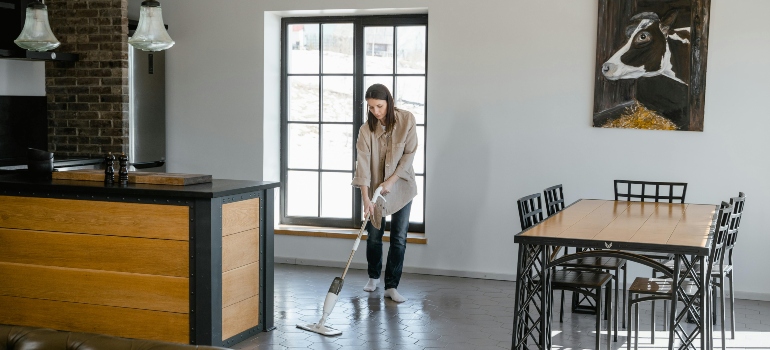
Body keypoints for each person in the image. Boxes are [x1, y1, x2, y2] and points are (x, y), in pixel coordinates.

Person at [351, 84, 418, 303]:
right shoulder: (366, 130)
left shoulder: (407, 120)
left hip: (402, 186)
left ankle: (391, 286)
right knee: (374, 236)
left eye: (379, 106)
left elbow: (409, 154)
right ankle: (373, 276)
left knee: (399, 237)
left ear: (389, 101)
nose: (376, 111)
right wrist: (366, 199)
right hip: (375, 191)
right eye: (371, 107)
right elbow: (362, 166)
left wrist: (391, 180)